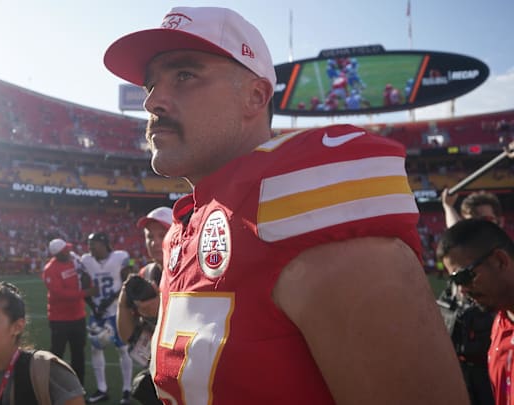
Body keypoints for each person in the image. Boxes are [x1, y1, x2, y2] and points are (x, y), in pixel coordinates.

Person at [103, 6, 468, 404]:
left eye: (185, 75)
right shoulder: (186, 229)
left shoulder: (308, 215)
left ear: (256, 96)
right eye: (150, 85)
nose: (153, 101)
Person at [437, 219, 514, 405]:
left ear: (499, 261)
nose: (462, 290)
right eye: (455, 281)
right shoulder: (500, 322)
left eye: (463, 276)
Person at [116, 207, 172, 405]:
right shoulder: (145, 275)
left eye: (162, 234)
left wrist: (164, 309)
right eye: (150, 236)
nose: (155, 242)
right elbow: (126, 336)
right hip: (156, 369)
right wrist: (123, 302)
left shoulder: (194, 272)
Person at [80, 232, 134, 404]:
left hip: (117, 311)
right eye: (89, 245)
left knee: (123, 348)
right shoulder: (86, 261)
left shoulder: (121, 257)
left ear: (104, 244)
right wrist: (93, 306)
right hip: (98, 313)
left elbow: (129, 277)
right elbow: (84, 286)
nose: (90, 249)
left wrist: (112, 299)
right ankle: (102, 389)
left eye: (93, 245)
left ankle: (127, 389)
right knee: (96, 349)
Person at [43, 238, 99, 385]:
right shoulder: (50, 270)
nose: (69, 251)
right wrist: (86, 293)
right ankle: (51, 385)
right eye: (65, 251)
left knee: (78, 354)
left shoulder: (74, 260)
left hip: (78, 317)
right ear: (57, 254)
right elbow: (60, 294)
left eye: (68, 249)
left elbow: (85, 275)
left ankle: (78, 387)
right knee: (57, 354)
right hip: (59, 320)